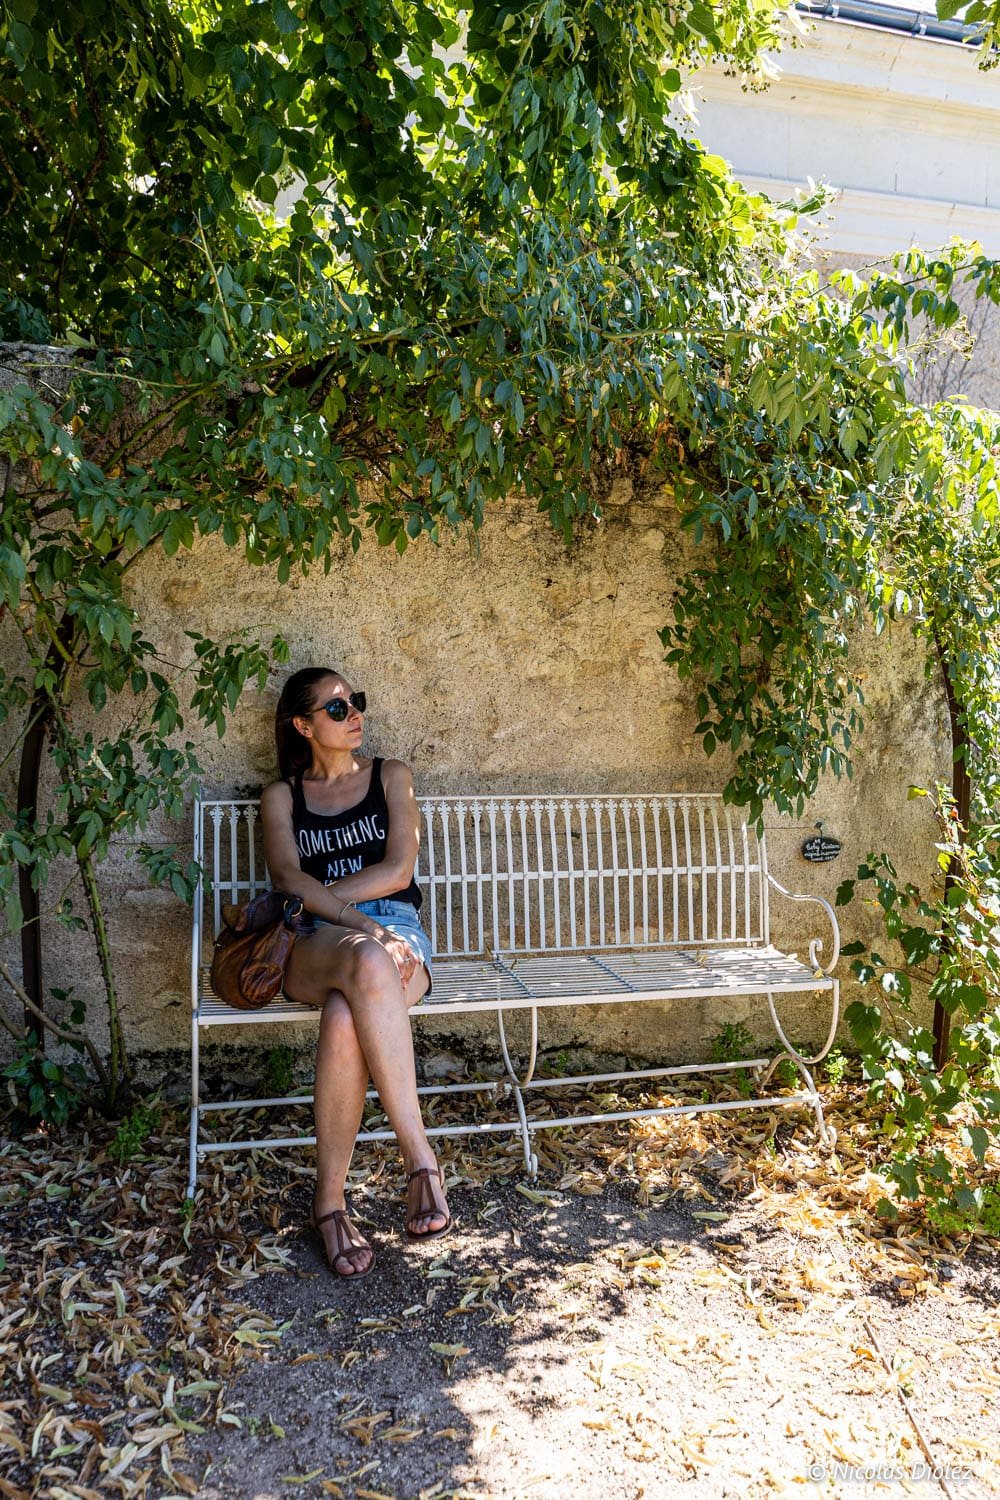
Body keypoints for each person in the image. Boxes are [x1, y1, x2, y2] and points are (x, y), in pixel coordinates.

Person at [260, 666, 449, 1280]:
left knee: (345, 1013)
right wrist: (349, 919)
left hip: (397, 929)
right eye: (337, 708)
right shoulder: (282, 797)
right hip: (313, 942)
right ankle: (420, 1162)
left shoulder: (391, 776)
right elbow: (286, 878)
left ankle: (330, 1203)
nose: (354, 715)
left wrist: (327, 900)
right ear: (303, 725)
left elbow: (398, 871)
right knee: (364, 956)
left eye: (355, 702)